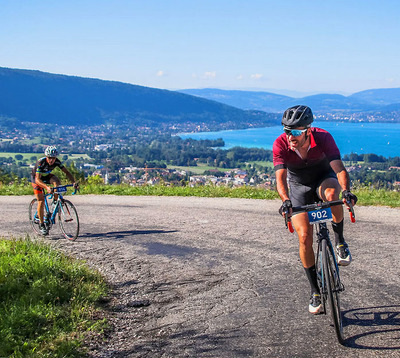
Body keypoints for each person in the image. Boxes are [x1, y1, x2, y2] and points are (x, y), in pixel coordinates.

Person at [273, 105, 357, 314]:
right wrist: (285, 200)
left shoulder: (323, 138)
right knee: (304, 237)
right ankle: (315, 291)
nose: (291, 136)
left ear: (308, 130)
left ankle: (340, 243)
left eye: (296, 132)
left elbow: (339, 169)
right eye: (287, 131)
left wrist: (346, 191)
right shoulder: (280, 144)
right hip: (299, 186)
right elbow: (280, 179)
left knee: (332, 197)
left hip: (323, 178)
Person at [31, 146, 77, 235]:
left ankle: (55, 202)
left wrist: (73, 182)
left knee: (57, 182)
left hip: (46, 176)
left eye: (53, 158)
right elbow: (37, 180)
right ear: (46, 157)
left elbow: (66, 172)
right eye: (49, 158)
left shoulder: (57, 162)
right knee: (41, 200)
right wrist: (47, 188)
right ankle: (41, 224)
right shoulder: (41, 162)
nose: (51, 160)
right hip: (36, 179)